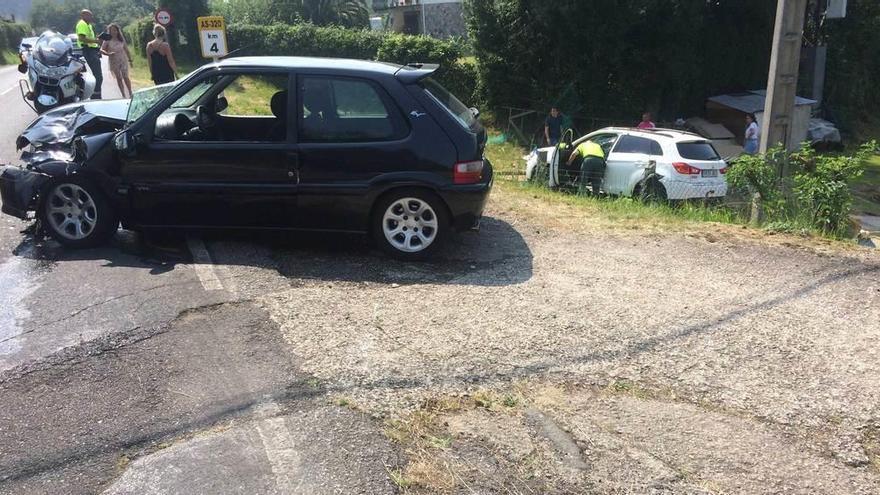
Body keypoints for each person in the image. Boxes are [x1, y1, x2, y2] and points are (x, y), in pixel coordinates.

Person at [76, 10, 102, 99]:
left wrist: (96, 40)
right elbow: (82, 38)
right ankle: (95, 96)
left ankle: (96, 95)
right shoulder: (82, 24)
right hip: (88, 50)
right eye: (89, 15)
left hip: (92, 50)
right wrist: (96, 41)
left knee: (98, 75)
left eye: (91, 15)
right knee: (98, 76)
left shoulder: (89, 25)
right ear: (83, 15)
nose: (91, 17)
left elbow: (89, 38)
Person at [101, 24, 133, 98]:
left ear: (117, 31)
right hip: (114, 60)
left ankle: (130, 92)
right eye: (111, 30)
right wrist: (108, 53)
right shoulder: (107, 39)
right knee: (119, 78)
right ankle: (123, 94)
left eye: (115, 30)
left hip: (123, 59)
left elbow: (126, 49)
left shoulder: (121, 39)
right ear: (109, 31)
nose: (113, 32)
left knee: (126, 76)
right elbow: (101, 50)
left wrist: (130, 60)